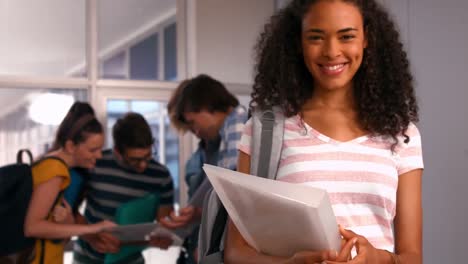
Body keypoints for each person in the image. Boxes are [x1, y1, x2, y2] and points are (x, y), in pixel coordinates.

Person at [224, 0, 423, 263]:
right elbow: (235, 252)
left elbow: (413, 257)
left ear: (367, 38)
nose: (331, 51)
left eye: (347, 36)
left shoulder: (401, 133)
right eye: (316, 37)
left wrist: (378, 258)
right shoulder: (266, 130)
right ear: (298, 42)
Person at [162, 74, 248, 263]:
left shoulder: (237, 127)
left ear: (207, 106)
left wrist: (210, 243)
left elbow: (232, 194)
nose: (196, 132)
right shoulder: (222, 138)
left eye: (193, 123)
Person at [72, 112, 175, 264]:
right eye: (135, 160)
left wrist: (164, 236)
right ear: (117, 152)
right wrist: (92, 237)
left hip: (131, 259)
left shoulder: (161, 175)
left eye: (148, 156)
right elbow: (70, 211)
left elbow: (164, 223)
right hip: (87, 257)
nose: (143, 165)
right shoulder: (95, 164)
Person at [24, 102, 116, 264]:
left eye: (100, 149)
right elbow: (33, 227)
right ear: (71, 146)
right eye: (92, 150)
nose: (100, 156)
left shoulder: (50, 164)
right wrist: (93, 229)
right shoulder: (55, 169)